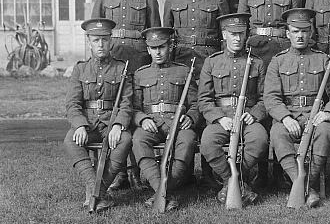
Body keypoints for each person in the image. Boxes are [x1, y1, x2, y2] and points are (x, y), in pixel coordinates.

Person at [263, 8, 330, 208]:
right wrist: (285, 118)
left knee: (325, 131)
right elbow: (271, 97)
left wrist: (327, 113)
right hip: (289, 115)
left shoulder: (323, 59)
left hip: (314, 115)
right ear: (287, 33)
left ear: (311, 33)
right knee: (277, 133)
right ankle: (300, 183)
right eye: (295, 31)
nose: (300, 36)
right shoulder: (277, 61)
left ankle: (309, 183)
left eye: (304, 31)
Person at [63, 18, 136, 211]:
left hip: (111, 123)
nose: (101, 44)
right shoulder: (80, 69)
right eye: (96, 40)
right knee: (70, 140)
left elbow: (127, 102)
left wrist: (119, 125)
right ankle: (98, 189)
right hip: (89, 123)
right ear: (89, 42)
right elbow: (72, 103)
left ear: (110, 40)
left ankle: (95, 192)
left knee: (126, 140)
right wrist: (79, 125)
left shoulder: (122, 68)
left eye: (104, 39)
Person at [197, 13, 268, 205]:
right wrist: (219, 118)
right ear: (224, 35)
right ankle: (233, 180)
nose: (237, 38)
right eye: (232, 34)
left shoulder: (257, 63)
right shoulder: (212, 62)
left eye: (241, 34)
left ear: (246, 35)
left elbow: (264, 98)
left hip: (247, 117)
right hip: (222, 118)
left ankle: (236, 180)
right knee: (208, 143)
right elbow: (203, 99)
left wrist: (254, 115)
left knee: (259, 139)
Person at [129, 27, 199, 211]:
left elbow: (196, 103)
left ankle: (161, 192)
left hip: (178, 124)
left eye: (162, 47)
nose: (158, 52)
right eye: (154, 48)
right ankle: (165, 191)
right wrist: (142, 120)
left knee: (188, 140)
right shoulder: (141, 74)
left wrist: (191, 117)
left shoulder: (184, 72)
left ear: (170, 46)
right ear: (148, 49)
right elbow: (134, 107)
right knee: (138, 140)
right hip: (151, 124)